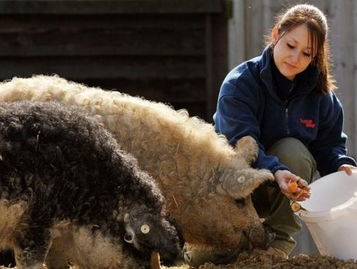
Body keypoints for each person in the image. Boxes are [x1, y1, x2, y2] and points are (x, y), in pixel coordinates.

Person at [213, 3, 357, 258]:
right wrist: (275, 170)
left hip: (284, 191)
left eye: (306, 53)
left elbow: (329, 144)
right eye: (291, 46)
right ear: (277, 34)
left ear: (315, 56)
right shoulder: (240, 84)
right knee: (214, 257)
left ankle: (277, 246)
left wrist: (340, 164)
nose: (295, 58)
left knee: (294, 150)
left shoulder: (322, 97)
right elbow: (240, 142)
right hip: (231, 188)